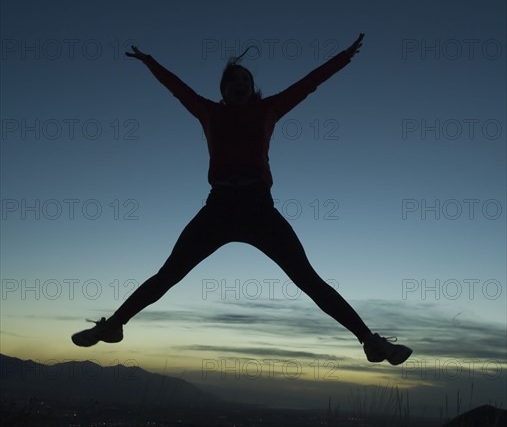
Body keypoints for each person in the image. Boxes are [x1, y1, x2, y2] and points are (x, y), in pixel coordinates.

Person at [71, 33, 412, 366]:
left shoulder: (268, 110)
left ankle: (370, 341)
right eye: (234, 79)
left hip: (258, 207)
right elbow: (178, 89)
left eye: (246, 79)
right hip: (219, 207)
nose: (241, 83)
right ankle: (114, 325)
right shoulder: (208, 112)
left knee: (308, 279)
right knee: (169, 274)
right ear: (224, 90)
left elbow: (308, 84)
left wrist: (344, 57)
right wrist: (149, 62)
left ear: (252, 88)